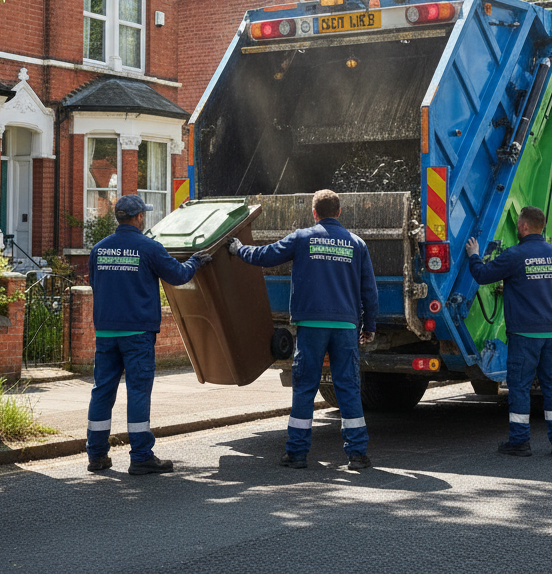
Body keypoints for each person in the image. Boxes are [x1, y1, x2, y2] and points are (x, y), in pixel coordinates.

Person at [230, 189, 378, 471]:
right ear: (339, 212)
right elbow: (369, 291)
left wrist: (239, 250)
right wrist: (369, 325)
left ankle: (297, 453)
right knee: (348, 387)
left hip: (311, 325)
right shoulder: (356, 244)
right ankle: (357, 454)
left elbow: (266, 255)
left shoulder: (302, 238)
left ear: (314, 213)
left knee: (305, 388)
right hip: (345, 326)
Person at [86, 195, 211, 475]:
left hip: (106, 331)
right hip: (137, 333)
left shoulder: (98, 249)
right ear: (139, 217)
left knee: (102, 391)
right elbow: (178, 275)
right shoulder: (149, 248)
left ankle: (96, 455)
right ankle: (141, 456)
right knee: (138, 392)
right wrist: (195, 261)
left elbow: (96, 283)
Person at [465, 206, 552, 457]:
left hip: (524, 335)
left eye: (518, 224)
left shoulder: (515, 255)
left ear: (523, 226)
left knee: (520, 387)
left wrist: (474, 254)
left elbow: (482, 275)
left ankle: (520, 441)